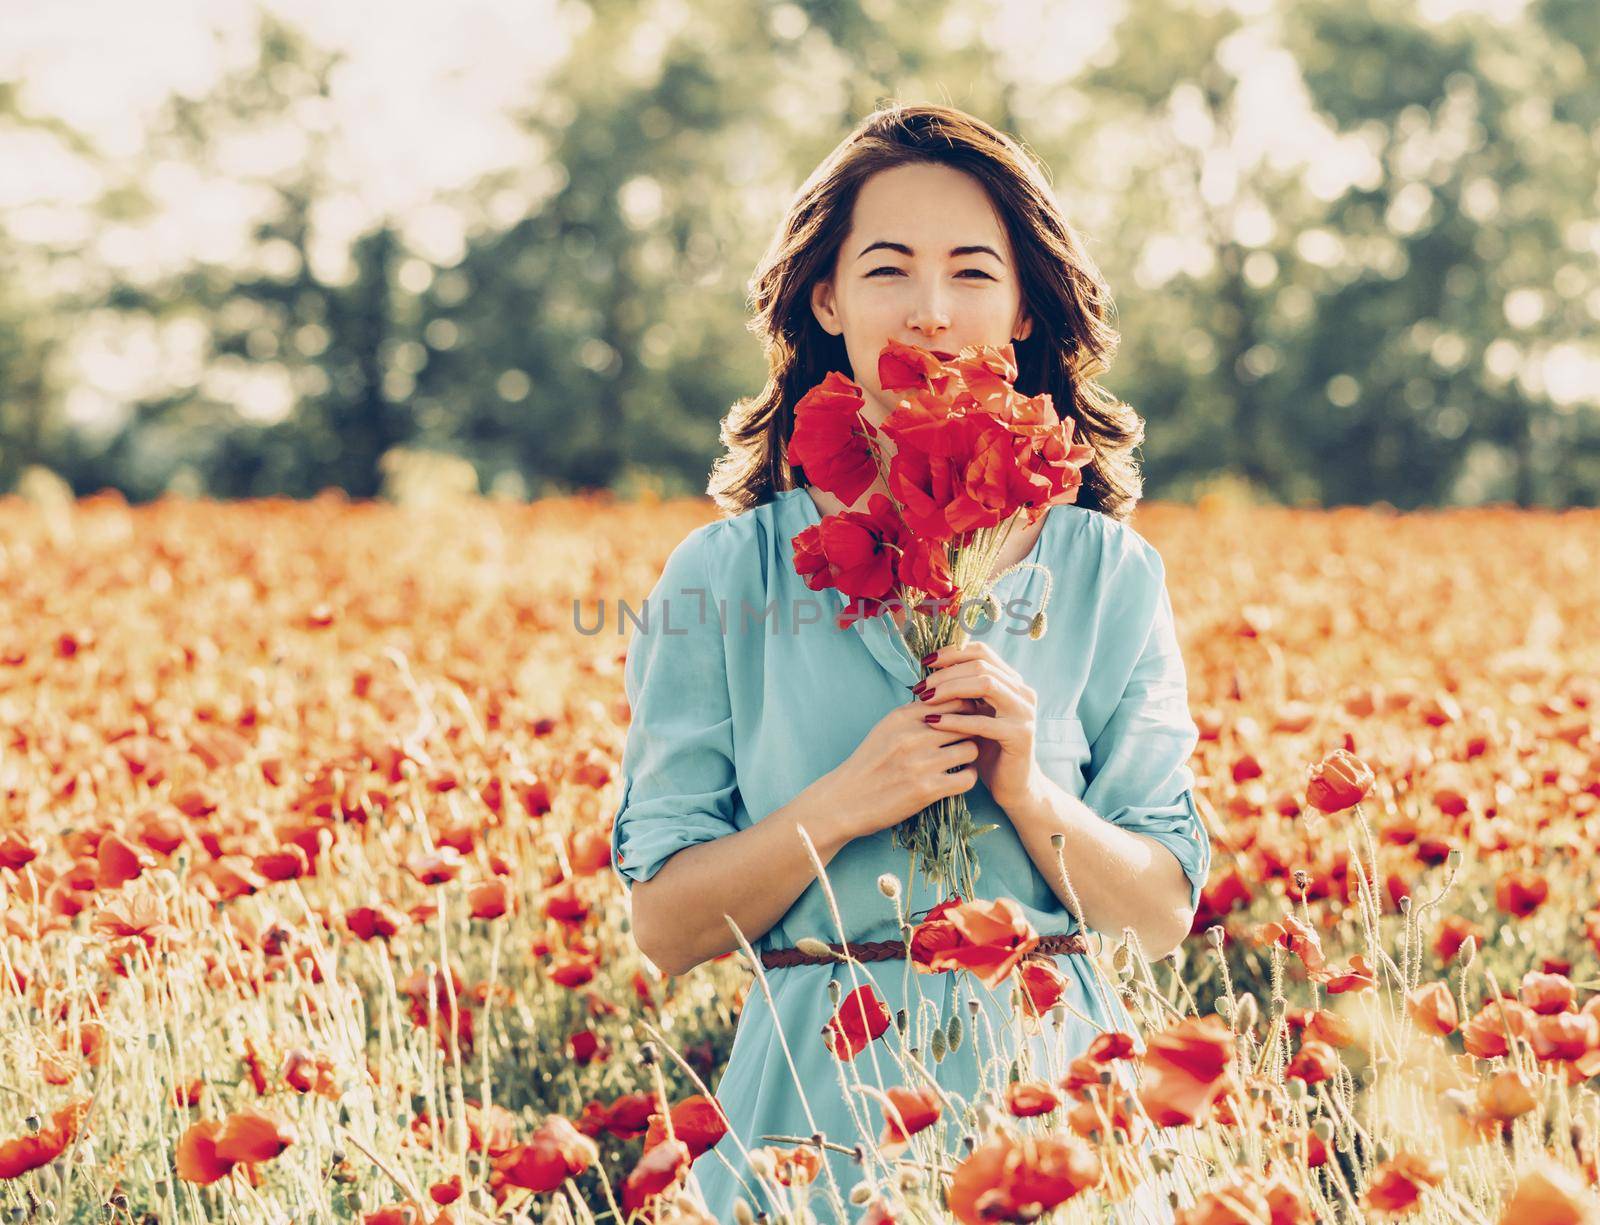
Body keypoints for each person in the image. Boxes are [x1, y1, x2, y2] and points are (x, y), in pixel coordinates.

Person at [609, 103, 1212, 1224]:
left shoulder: (1110, 575)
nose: (931, 312)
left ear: (1024, 305)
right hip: (807, 1133)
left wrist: (1028, 791)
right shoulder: (723, 574)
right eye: (888, 270)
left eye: (971, 273)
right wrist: (842, 803)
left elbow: (1160, 914)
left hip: (1052, 1126)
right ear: (826, 300)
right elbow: (667, 926)